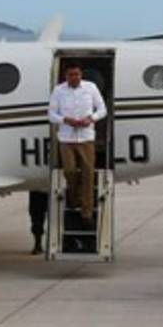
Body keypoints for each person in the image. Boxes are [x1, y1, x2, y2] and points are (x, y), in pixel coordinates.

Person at [48, 64, 107, 222]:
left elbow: (102, 109)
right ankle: (74, 198)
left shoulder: (91, 88)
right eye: (71, 75)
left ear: (81, 75)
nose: (74, 77)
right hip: (66, 138)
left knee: (88, 173)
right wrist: (65, 120)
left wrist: (91, 119)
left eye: (77, 74)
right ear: (66, 76)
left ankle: (86, 212)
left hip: (86, 138)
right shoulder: (59, 90)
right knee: (70, 171)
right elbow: (51, 114)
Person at [28, 190, 48, 255]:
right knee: (37, 220)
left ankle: (38, 244)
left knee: (37, 220)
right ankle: (38, 244)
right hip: (37, 192)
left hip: (38, 193)